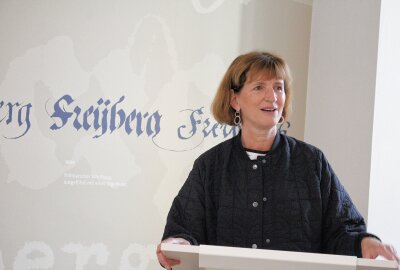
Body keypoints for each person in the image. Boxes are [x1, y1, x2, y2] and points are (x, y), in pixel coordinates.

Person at [156, 51, 399, 269]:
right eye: (259, 87)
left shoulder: (312, 162)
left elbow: (342, 230)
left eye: (279, 87)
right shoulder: (210, 166)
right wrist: (177, 242)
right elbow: (184, 230)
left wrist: (365, 243)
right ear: (235, 100)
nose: (272, 97)